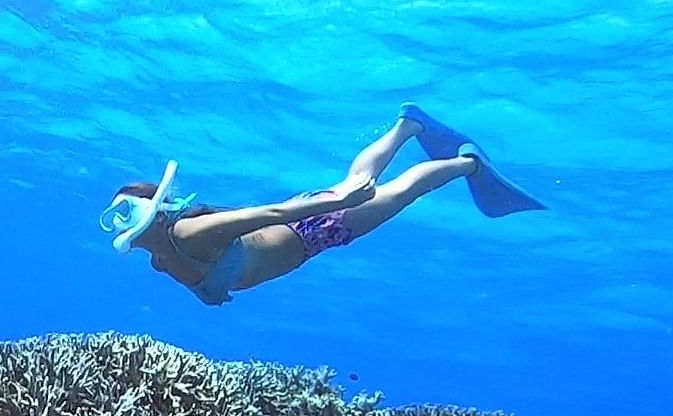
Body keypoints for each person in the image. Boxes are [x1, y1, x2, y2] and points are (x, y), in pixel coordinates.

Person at [100, 104, 548, 305]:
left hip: (312, 228)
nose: (124, 226)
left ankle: (467, 164)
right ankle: (409, 126)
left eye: (130, 213)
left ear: (157, 213)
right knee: (361, 180)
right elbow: (206, 282)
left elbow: (269, 215)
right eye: (118, 219)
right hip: (310, 231)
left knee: (395, 192)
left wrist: (338, 205)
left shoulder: (189, 233)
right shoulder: (161, 261)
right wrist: (211, 295)